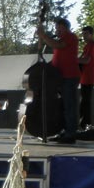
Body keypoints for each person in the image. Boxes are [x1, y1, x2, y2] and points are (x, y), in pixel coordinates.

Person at [36, 16, 80, 144]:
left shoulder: (71, 37)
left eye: (59, 29)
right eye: (56, 29)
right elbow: (58, 57)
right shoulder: (62, 39)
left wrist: (43, 35)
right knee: (62, 107)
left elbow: (58, 46)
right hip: (61, 77)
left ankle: (70, 134)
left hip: (69, 76)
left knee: (69, 106)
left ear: (66, 28)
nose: (57, 31)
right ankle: (63, 131)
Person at [78, 26, 94, 130]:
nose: (84, 36)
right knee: (84, 102)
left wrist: (73, 60)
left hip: (89, 77)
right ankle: (83, 123)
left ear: (91, 34)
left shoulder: (92, 45)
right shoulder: (87, 46)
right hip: (85, 77)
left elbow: (86, 60)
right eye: (83, 34)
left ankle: (86, 124)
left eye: (86, 34)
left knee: (86, 103)